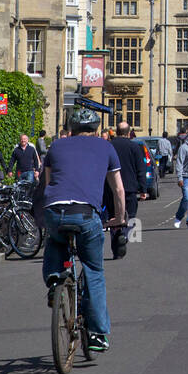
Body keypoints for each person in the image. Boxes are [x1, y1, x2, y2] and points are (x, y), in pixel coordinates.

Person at [33, 107, 125, 353]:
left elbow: (48, 184)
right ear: (96, 130)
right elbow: (118, 189)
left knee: (56, 240)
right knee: (94, 270)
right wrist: (119, 218)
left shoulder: (56, 146)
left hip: (55, 210)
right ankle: (97, 334)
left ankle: (54, 279)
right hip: (85, 213)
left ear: (71, 129)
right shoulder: (106, 147)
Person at [107, 122, 148, 258]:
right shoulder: (135, 147)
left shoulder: (109, 146)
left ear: (116, 131)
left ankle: (116, 249)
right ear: (129, 132)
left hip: (111, 187)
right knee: (130, 217)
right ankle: (124, 236)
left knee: (113, 218)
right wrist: (143, 189)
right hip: (130, 188)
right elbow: (141, 169)